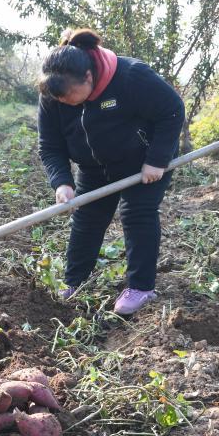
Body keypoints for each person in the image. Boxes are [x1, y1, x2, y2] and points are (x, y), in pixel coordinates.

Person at [37, 29, 185, 315]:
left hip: (145, 161)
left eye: (70, 96)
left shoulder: (131, 76)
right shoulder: (54, 94)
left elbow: (172, 110)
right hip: (95, 165)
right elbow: (50, 144)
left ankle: (141, 287)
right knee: (88, 217)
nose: (65, 102)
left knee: (137, 213)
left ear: (89, 77)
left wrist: (156, 159)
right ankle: (73, 281)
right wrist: (62, 182)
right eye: (60, 99)